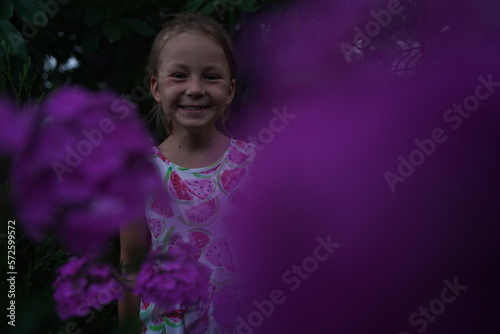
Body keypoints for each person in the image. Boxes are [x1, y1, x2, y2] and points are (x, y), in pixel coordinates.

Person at [119, 12, 255, 334]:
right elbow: (131, 267)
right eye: (179, 75)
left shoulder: (257, 164)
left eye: (211, 77)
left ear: (231, 89)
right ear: (155, 87)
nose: (195, 89)